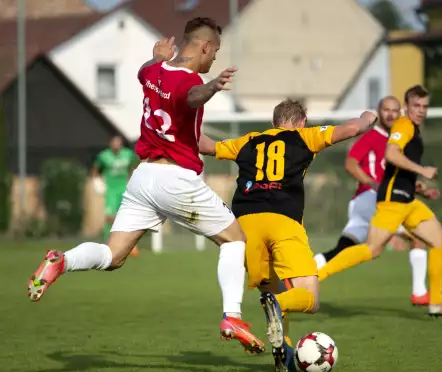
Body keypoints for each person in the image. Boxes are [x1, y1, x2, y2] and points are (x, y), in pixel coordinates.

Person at [27, 17, 265, 354]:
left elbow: (147, 74)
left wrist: (157, 57)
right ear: (205, 46)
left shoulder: (154, 72)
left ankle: (60, 261)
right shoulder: (191, 81)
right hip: (175, 179)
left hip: (143, 178)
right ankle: (232, 316)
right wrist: (211, 87)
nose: (214, 60)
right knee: (234, 239)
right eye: (215, 52)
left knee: (113, 255)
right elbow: (192, 96)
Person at [199, 99, 378, 372]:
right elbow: (351, 128)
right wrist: (368, 118)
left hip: (245, 225)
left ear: (273, 123)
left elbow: (206, 145)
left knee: (273, 288)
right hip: (283, 219)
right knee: (308, 298)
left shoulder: (249, 140)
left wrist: (179, 124)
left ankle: (283, 353)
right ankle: (276, 304)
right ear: (302, 122)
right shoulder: (305, 137)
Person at [317, 85, 442, 318]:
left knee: (438, 241)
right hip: (391, 201)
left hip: (407, 201)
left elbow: (397, 167)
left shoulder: (412, 128)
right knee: (371, 249)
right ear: (406, 107)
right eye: (416, 106)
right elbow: (391, 154)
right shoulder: (404, 125)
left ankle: (435, 301)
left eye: (425, 106)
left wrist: (419, 187)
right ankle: (316, 277)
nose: (421, 111)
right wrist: (422, 170)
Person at [313, 96, 434, 305]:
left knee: (344, 248)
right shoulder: (372, 137)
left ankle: (303, 274)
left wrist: (418, 189)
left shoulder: (399, 140)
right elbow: (351, 164)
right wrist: (374, 185)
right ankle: (420, 293)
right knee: (418, 236)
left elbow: (395, 177)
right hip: (372, 199)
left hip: (369, 201)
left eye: (394, 110)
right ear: (380, 112)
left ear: (400, 113)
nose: (390, 114)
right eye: (386, 110)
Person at [92, 136, 139, 256]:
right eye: (114, 142)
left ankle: (130, 245)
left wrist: (131, 179)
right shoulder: (104, 156)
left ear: (121, 144)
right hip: (111, 190)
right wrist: (96, 180)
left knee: (127, 216)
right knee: (110, 217)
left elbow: (132, 166)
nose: (116, 144)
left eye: (118, 142)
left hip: (124, 189)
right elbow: (96, 169)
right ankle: (109, 243)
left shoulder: (128, 154)